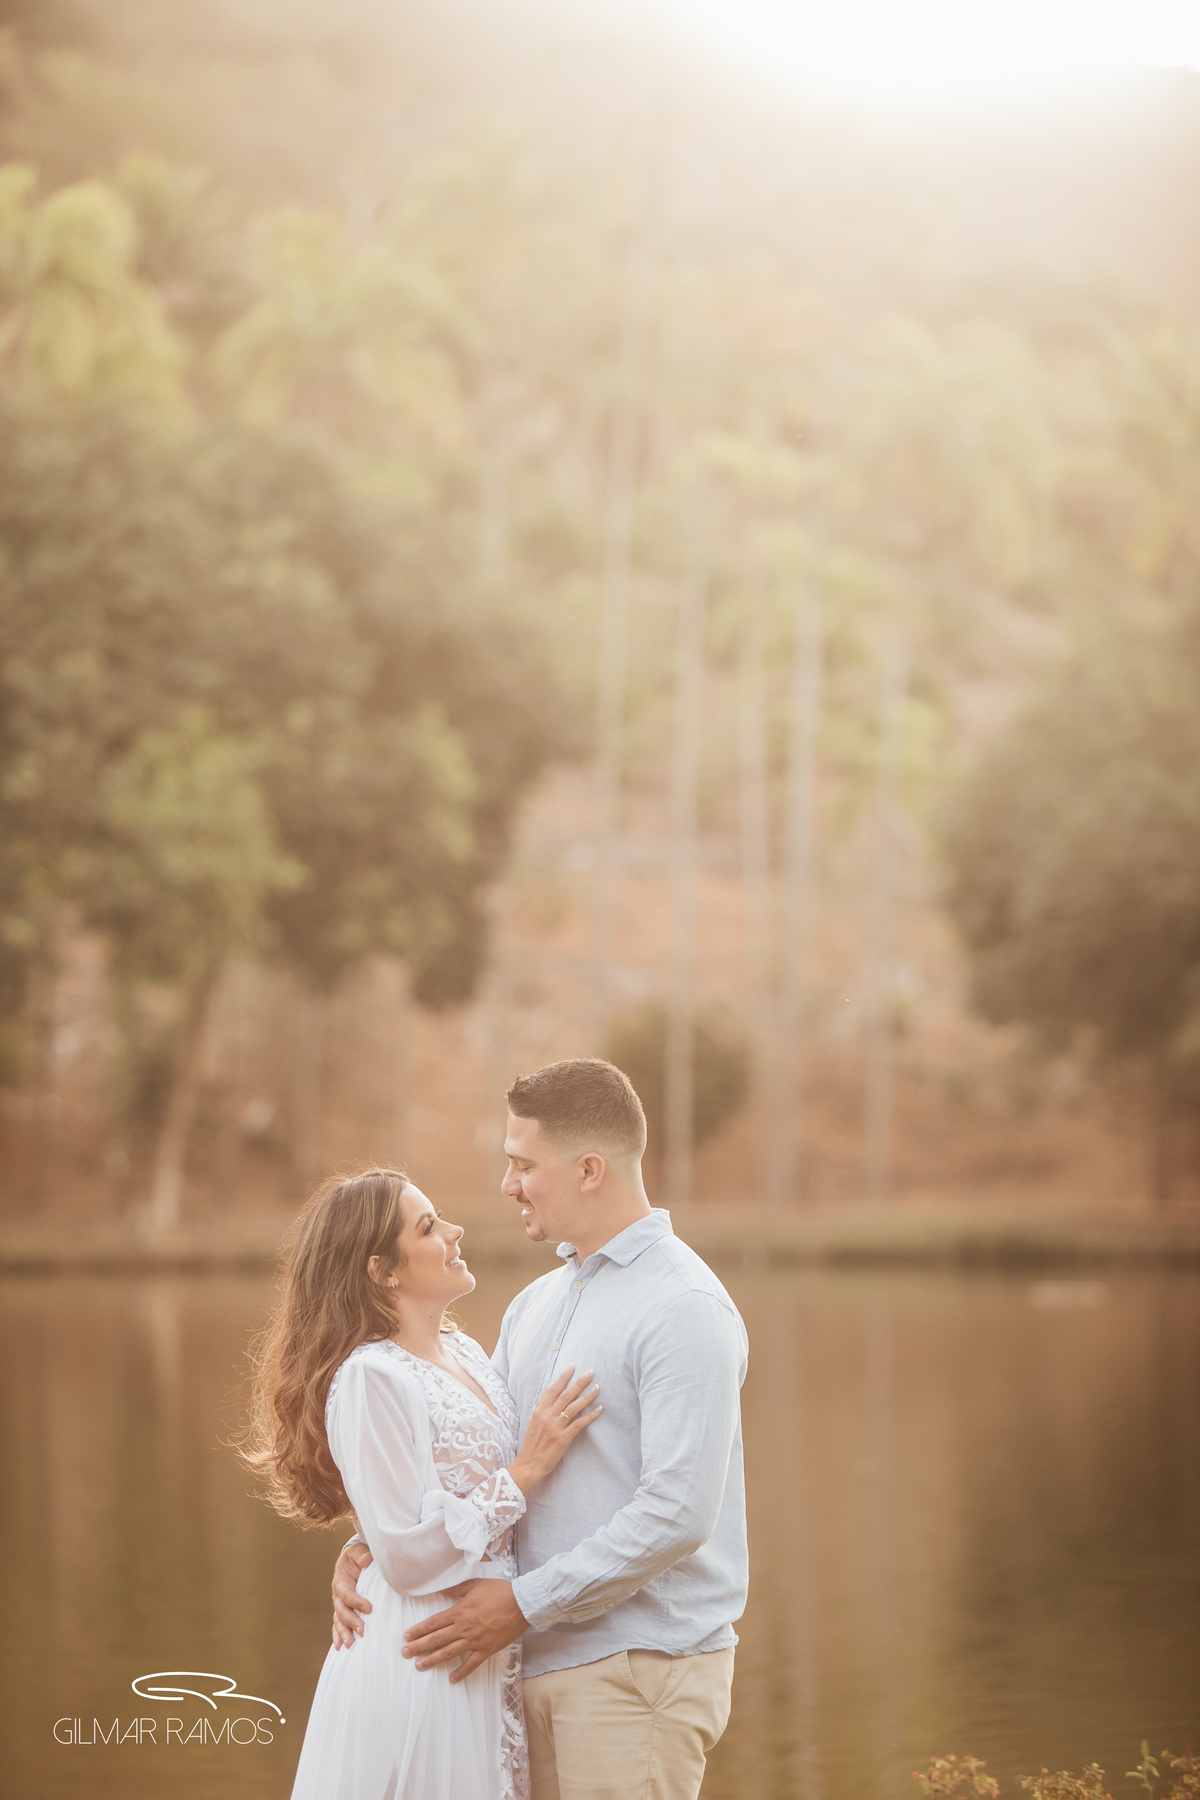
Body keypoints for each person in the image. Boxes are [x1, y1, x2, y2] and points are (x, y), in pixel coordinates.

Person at [333, 1059, 750, 1800]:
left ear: (589, 1169)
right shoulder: (534, 1306)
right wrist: (374, 1545)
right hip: (521, 1670)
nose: (507, 1184)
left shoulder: (683, 1307)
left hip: (635, 1672)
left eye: (522, 1164)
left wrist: (522, 1605)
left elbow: (679, 1513)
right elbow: (480, 1463)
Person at [242, 1167, 601, 1800]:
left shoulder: (465, 1355)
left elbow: (411, 1513)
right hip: (422, 1654)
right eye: (430, 1227)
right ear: (383, 1270)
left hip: (484, 1647)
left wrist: (362, 1546)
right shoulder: (370, 1378)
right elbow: (407, 1557)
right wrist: (526, 1470)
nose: (455, 1231)